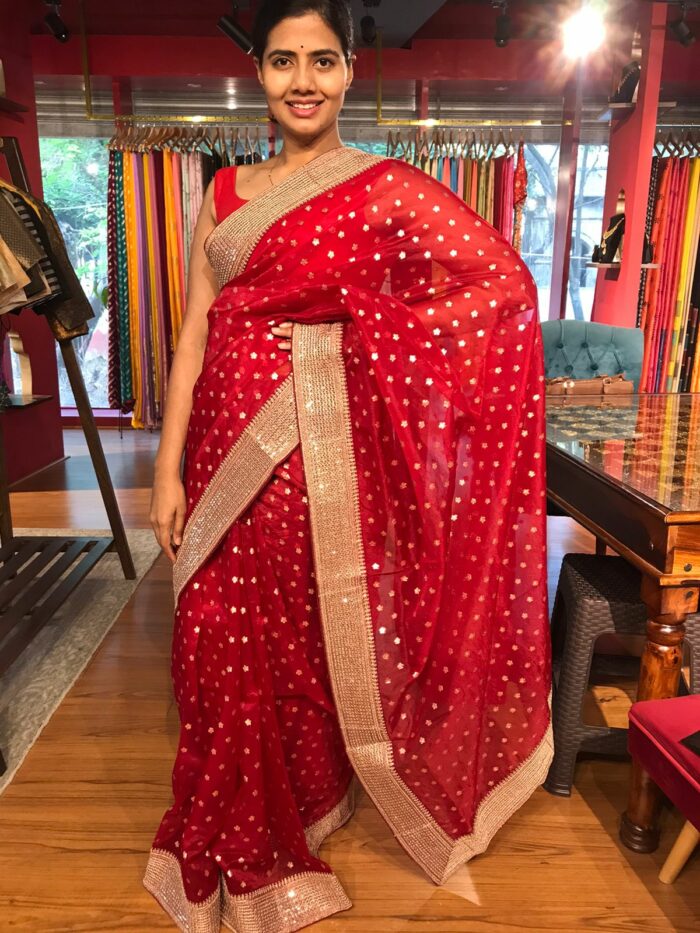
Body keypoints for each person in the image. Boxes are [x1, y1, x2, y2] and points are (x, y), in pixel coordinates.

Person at [145, 1, 553, 929]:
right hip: (216, 446)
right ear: (258, 72)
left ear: (350, 71)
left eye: (322, 61)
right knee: (211, 634)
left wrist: (351, 336)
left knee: (288, 637)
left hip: (307, 452)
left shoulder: (383, 187)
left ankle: (298, 800)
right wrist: (166, 469)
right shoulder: (222, 191)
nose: (303, 81)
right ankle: (235, 799)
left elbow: (502, 286)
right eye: (284, 60)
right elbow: (194, 332)